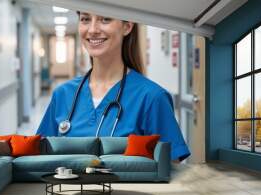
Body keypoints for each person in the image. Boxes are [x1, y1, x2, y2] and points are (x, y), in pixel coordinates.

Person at [36, 12, 190, 161]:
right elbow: (40, 155)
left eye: (105, 19)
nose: (93, 29)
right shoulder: (63, 94)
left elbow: (168, 166)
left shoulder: (152, 97)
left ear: (127, 26)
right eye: (85, 19)